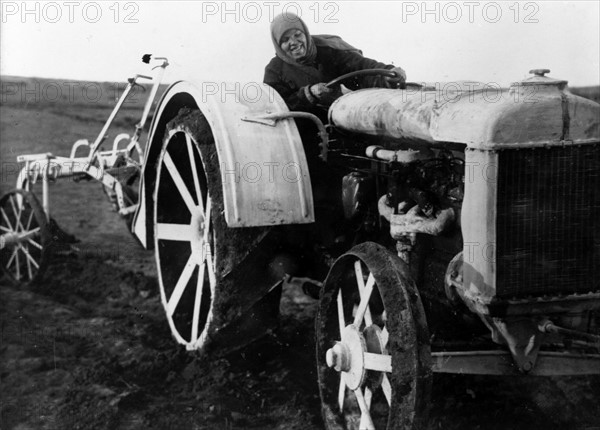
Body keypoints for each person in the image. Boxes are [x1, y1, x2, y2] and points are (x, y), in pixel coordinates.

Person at [264, 12, 406, 119]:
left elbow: (360, 67)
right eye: (285, 39)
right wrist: (309, 93)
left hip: (343, 119)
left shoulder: (329, 50)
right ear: (278, 44)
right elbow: (274, 105)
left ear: (305, 34)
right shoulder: (274, 70)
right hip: (305, 131)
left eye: (297, 35)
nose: (294, 42)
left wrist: (388, 72)